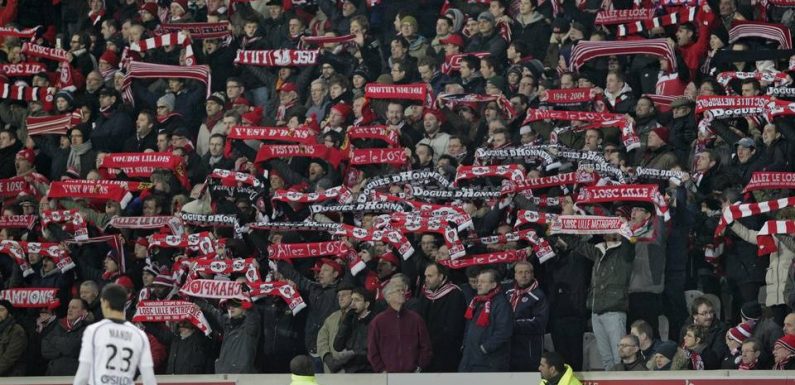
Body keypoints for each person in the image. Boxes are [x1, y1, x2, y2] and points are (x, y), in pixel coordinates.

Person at [72, 284, 156, 385]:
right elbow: (149, 379)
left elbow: (83, 375)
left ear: (105, 303)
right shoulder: (139, 335)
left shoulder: (94, 331)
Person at [367, 279, 432, 372]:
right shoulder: (377, 322)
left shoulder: (416, 319)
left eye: (403, 290)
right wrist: (381, 370)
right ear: (388, 296)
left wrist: (419, 367)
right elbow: (372, 350)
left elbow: (426, 346)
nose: (402, 293)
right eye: (398, 290)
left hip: (413, 375)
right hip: (388, 377)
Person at [415, 263, 467, 372]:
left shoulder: (455, 294)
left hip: (446, 353)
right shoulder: (425, 295)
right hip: (427, 352)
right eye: (425, 276)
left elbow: (454, 326)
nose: (426, 279)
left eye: (430, 276)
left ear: (441, 277)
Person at [459, 269, 513, 372]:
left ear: (493, 285)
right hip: (470, 357)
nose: (478, 284)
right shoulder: (477, 302)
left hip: (488, 361)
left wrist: (484, 348)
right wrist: (465, 344)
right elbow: (469, 326)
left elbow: (504, 332)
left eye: (483, 282)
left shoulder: (502, 304)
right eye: (478, 281)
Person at [506, 260, 549, 371]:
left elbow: (540, 323)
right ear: (515, 275)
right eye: (520, 272)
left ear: (532, 274)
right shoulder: (508, 293)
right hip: (509, 346)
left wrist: (513, 325)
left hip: (529, 349)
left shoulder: (539, 295)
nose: (523, 275)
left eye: (527, 272)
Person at [0, 300, 27, 376]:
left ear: (9, 313)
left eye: (2, 310)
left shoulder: (17, 330)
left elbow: (9, 358)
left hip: (12, 376)